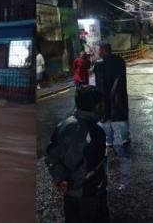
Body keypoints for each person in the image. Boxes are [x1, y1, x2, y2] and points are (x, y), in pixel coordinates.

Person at [45, 85, 109, 223]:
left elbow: (51, 154)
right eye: (101, 103)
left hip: (70, 194)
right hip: (90, 194)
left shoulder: (64, 124)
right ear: (96, 106)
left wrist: (60, 177)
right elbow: (93, 166)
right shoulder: (96, 132)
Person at [94, 43, 130, 147]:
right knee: (121, 118)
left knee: (105, 119)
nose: (98, 52)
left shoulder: (99, 64)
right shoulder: (120, 61)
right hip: (119, 96)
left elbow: (99, 83)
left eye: (99, 50)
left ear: (104, 51)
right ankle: (125, 138)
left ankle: (109, 141)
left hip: (104, 97)